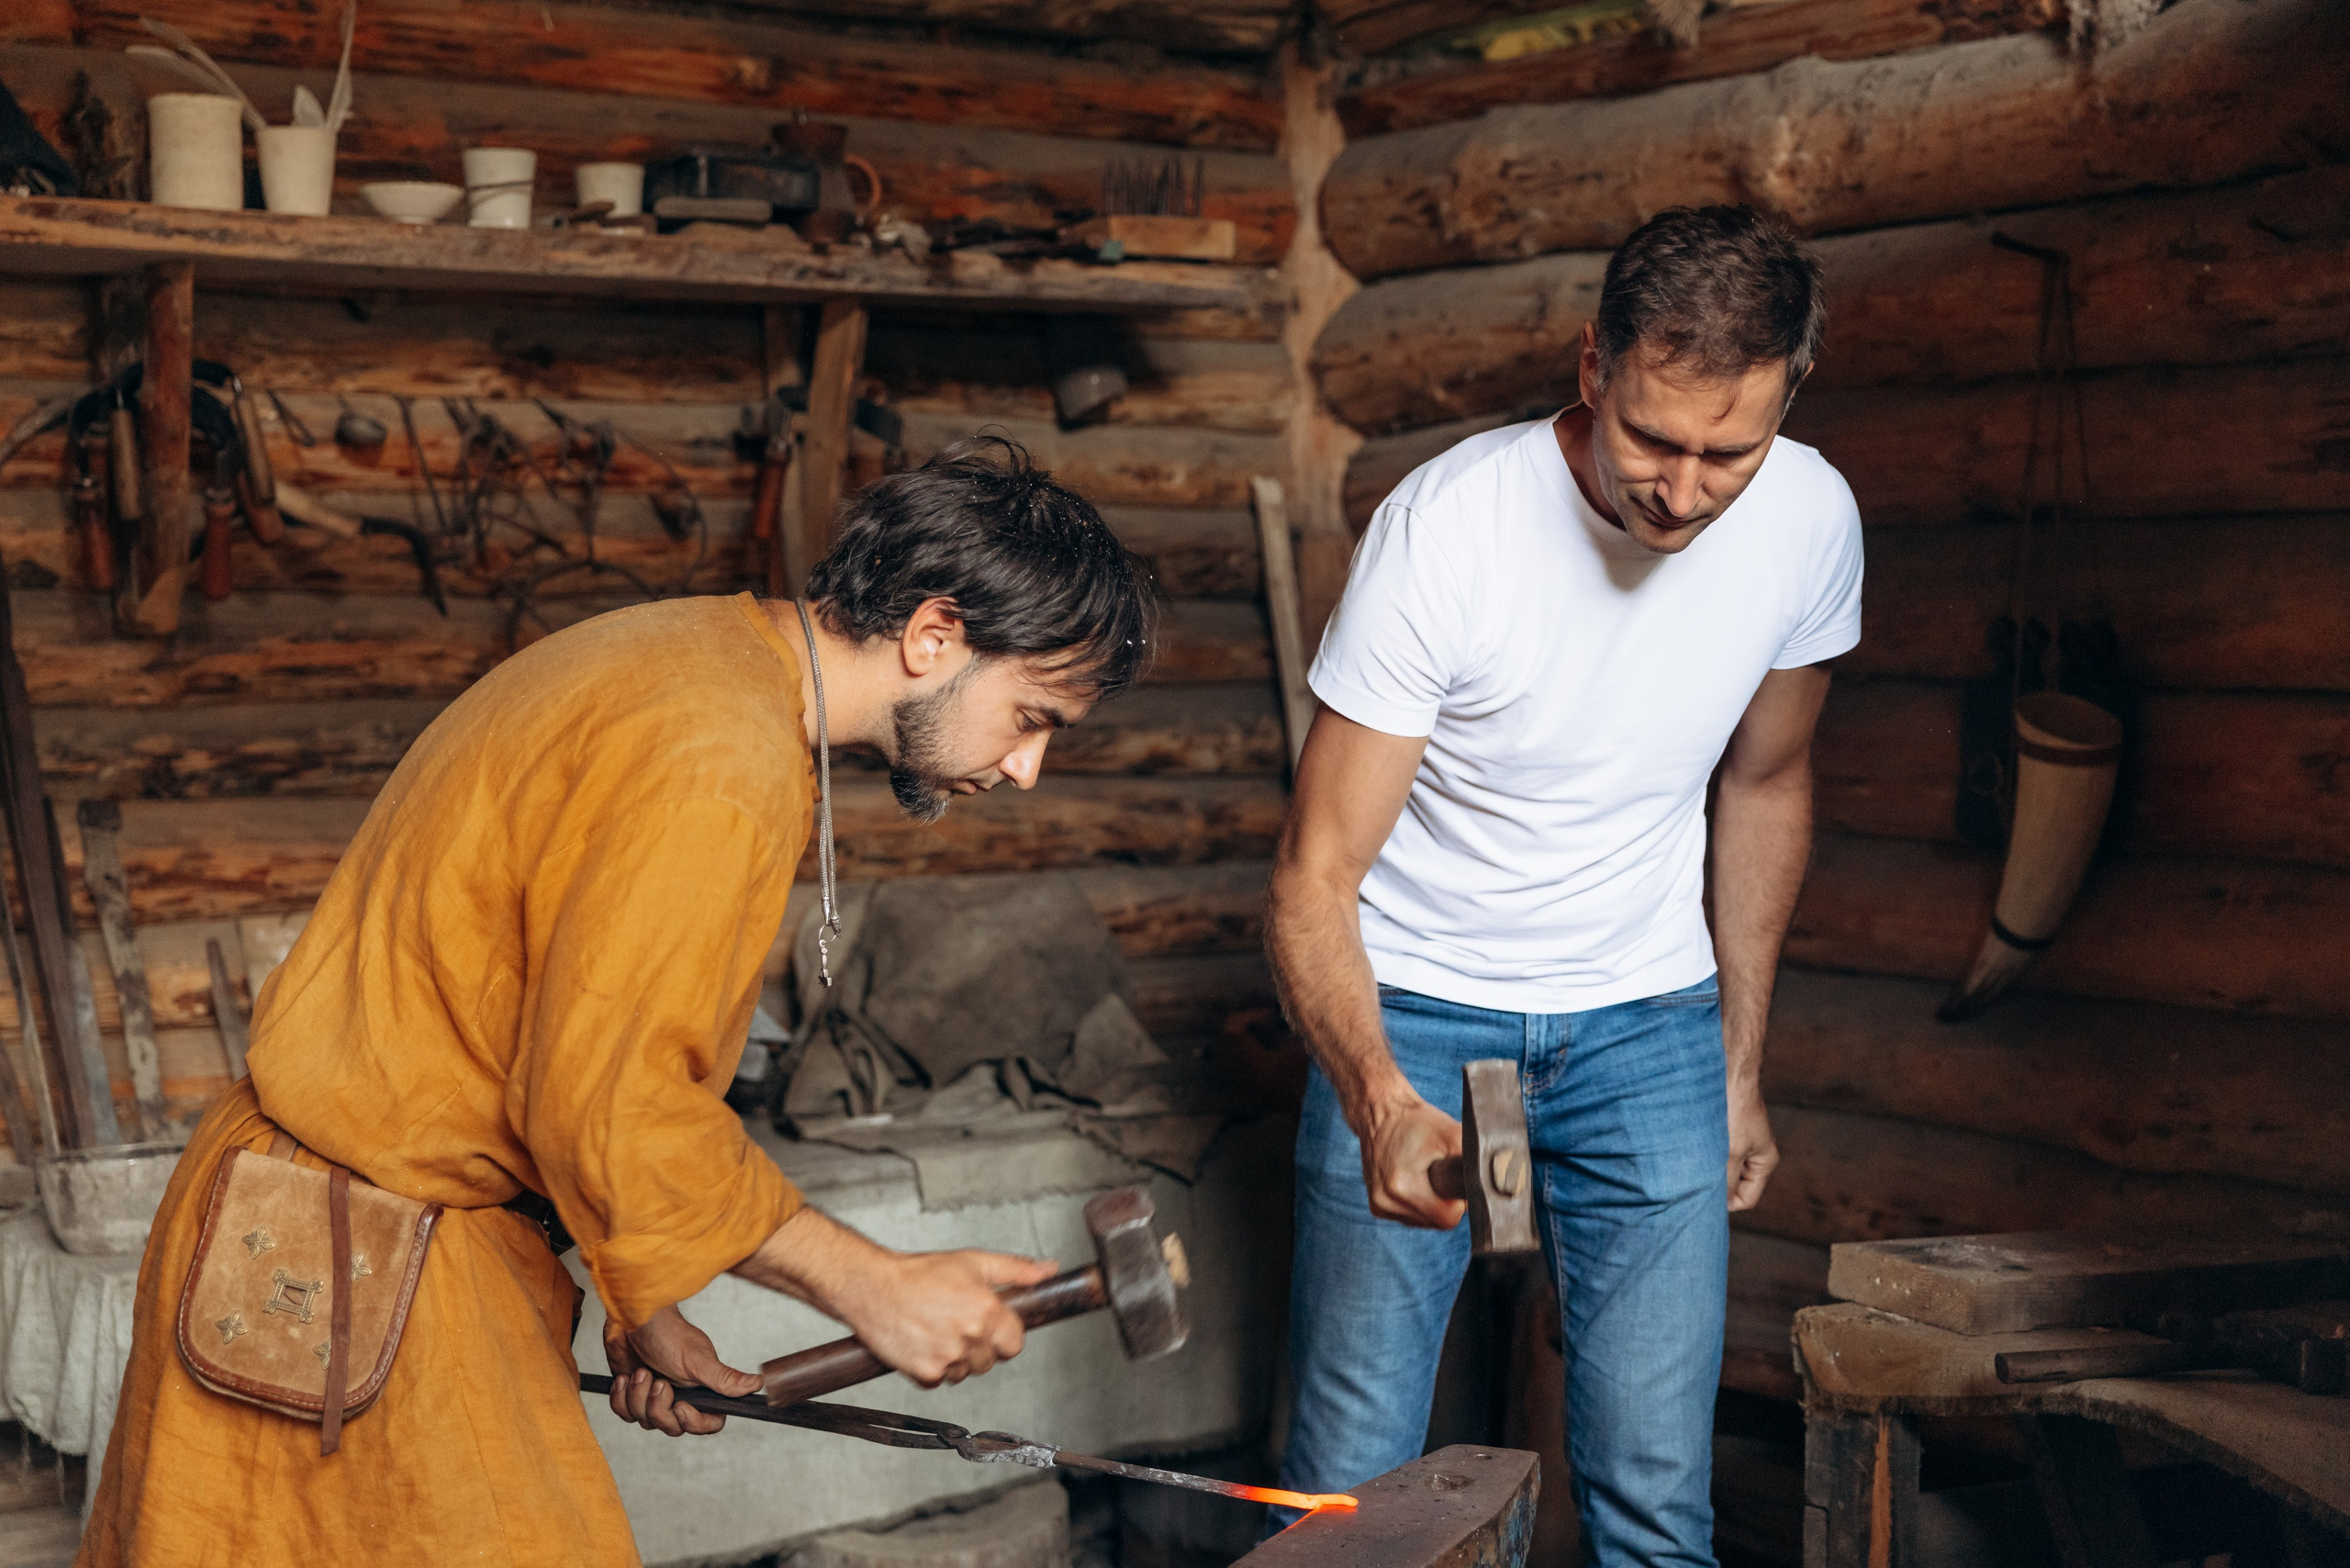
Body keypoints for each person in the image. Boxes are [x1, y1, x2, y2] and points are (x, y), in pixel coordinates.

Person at [78, 440, 1157, 1566]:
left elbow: (549, 1026)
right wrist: (873, 1284)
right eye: (1033, 717)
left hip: (357, 1219)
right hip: (352, 1253)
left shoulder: (703, 659)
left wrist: (638, 1298)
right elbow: (615, 1100)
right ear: (934, 635)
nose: (1027, 769)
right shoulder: (719, 753)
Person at [1267, 206, 1860, 1562]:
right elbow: (1315, 872)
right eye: (1654, 438)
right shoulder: (1450, 529)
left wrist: (1736, 1063)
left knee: (1658, 1495)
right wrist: (1375, 1097)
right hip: (1411, 1007)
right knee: (1348, 1490)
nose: (1685, 489)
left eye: (1732, 453)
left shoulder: (1813, 517)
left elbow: (1764, 785)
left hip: (1648, 1025)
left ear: (1787, 406)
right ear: (1591, 366)